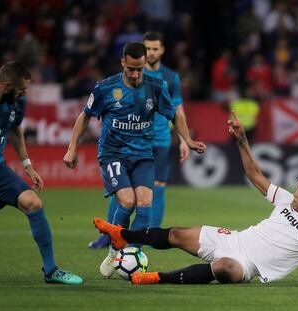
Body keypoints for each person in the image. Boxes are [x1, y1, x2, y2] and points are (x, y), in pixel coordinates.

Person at [93, 112, 298, 285]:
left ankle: (154, 278)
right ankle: (121, 235)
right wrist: (242, 141)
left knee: (225, 268)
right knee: (177, 234)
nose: (295, 191)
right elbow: (256, 176)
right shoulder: (286, 200)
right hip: (235, 239)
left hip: (248, 263)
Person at [63, 42, 206, 278]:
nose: (136, 74)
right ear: (123, 63)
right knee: (128, 202)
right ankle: (113, 251)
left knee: (146, 202)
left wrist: (187, 140)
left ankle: (132, 254)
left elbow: (174, 115)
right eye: (131, 69)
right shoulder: (105, 88)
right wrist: (72, 148)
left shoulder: (156, 87)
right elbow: (84, 116)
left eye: (140, 69)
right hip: (113, 154)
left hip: (142, 155)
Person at [88, 31, 191, 249]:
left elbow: (177, 109)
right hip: (127, 141)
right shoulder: (116, 84)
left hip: (159, 139)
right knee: (123, 195)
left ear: (161, 50)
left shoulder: (169, 78)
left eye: (156, 48)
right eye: (149, 48)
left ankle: (150, 234)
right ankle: (111, 235)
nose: (152, 52)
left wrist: (184, 139)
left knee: (153, 191)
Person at [0, 61, 83, 285]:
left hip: (0, 171)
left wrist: (27, 164)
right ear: (7, 86)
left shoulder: (17, 102)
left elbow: (15, 130)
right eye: (22, 89)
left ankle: (51, 270)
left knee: (33, 203)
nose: (25, 93)